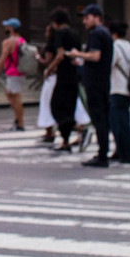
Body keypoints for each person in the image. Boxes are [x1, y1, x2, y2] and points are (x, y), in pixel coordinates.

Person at [74, 3, 114, 168]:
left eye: (87, 17)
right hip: (103, 81)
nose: (84, 21)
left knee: (98, 118)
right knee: (102, 117)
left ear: (97, 17)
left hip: (95, 82)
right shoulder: (105, 33)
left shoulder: (96, 33)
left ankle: (102, 155)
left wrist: (78, 54)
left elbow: (95, 56)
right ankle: (103, 152)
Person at [42, 9, 81, 152]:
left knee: (56, 107)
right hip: (73, 73)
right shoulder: (75, 33)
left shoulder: (60, 33)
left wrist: (49, 69)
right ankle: (66, 141)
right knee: (69, 107)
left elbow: (59, 55)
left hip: (63, 74)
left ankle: (80, 129)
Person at [104, 20, 130, 165]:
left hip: (117, 88)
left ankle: (128, 153)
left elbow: (109, 65)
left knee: (118, 123)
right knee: (123, 121)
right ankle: (120, 151)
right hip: (129, 89)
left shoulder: (115, 47)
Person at [0, 18, 28, 131]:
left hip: (13, 73)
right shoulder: (22, 40)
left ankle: (20, 122)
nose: (5, 28)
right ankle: (17, 119)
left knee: (16, 97)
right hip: (20, 72)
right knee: (10, 93)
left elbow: (2, 58)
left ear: (12, 28)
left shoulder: (8, 42)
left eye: (8, 26)